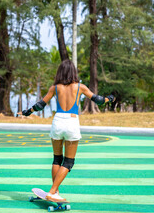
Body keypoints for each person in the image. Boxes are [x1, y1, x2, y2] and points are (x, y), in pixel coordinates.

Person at [21, 59, 114, 202]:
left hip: (57, 121)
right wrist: (110, 98)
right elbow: (99, 100)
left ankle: (55, 191)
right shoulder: (80, 87)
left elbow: (40, 104)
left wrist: (28, 112)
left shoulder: (55, 87)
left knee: (57, 159)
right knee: (68, 162)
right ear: (73, 72)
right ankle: (53, 192)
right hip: (71, 122)